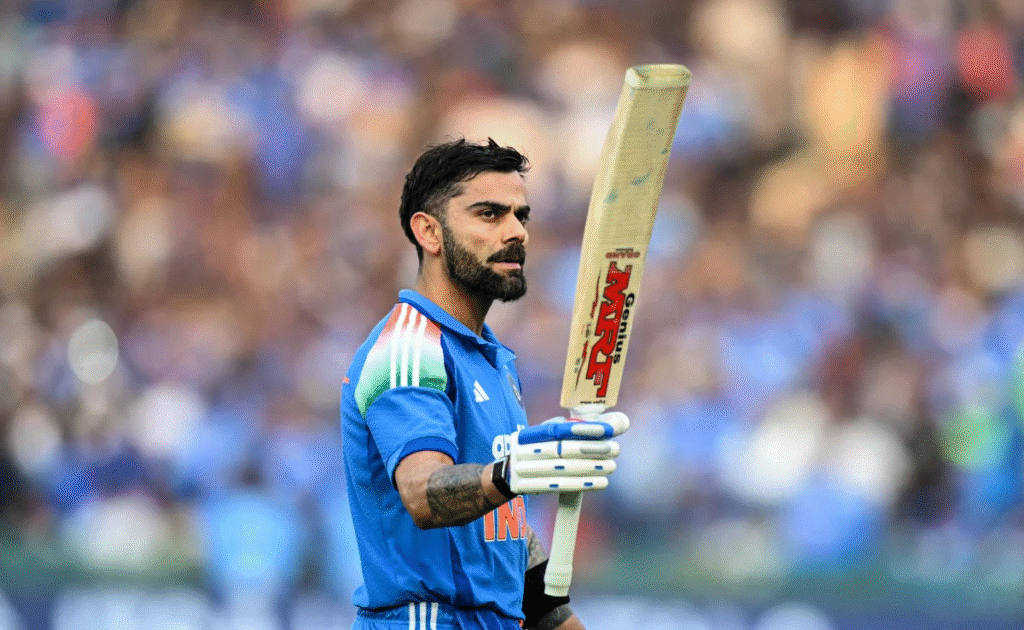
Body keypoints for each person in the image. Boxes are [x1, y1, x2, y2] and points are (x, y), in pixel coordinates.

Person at [340, 138, 628, 630]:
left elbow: (503, 536)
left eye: (521, 216)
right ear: (429, 232)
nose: (516, 232)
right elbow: (423, 492)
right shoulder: (410, 350)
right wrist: (513, 472)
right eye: (490, 214)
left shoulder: (492, 359)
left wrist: (558, 617)